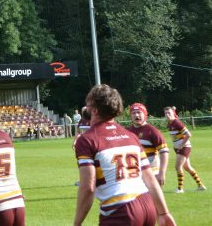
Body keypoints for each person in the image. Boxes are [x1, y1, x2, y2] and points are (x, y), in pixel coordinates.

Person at [73, 85, 176, 226]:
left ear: (95, 110)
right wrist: (164, 213)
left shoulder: (87, 139)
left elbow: (88, 187)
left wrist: (76, 223)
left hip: (120, 211)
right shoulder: (131, 136)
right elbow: (150, 179)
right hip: (147, 205)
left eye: (89, 104)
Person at [125, 103, 169, 186]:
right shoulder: (128, 132)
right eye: (133, 113)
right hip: (135, 174)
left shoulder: (152, 131)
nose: (136, 115)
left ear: (145, 114)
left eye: (139, 112)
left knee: (153, 199)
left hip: (152, 172)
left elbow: (164, 152)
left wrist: (162, 173)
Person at [164, 106, 206, 193]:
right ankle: (200, 185)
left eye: (169, 113)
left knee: (178, 167)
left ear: (173, 114)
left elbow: (188, 134)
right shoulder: (169, 123)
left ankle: (180, 189)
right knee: (187, 167)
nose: (167, 115)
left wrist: (181, 145)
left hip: (184, 147)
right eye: (166, 113)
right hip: (179, 148)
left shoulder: (177, 123)